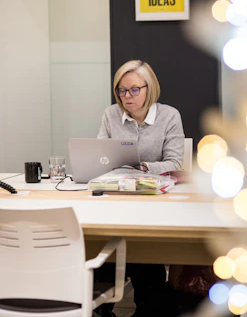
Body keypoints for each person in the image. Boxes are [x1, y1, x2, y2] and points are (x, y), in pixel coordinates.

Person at [94, 60, 185, 317]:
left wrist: (140, 167)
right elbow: (99, 155)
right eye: (121, 90)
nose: (127, 97)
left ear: (149, 88)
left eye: (134, 89)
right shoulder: (111, 114)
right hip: (116, 202)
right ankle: (102, 306)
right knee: (105, 258)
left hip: (153, 204)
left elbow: (175, 163)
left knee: (144, 261)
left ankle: (147, 302)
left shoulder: (169, 116)